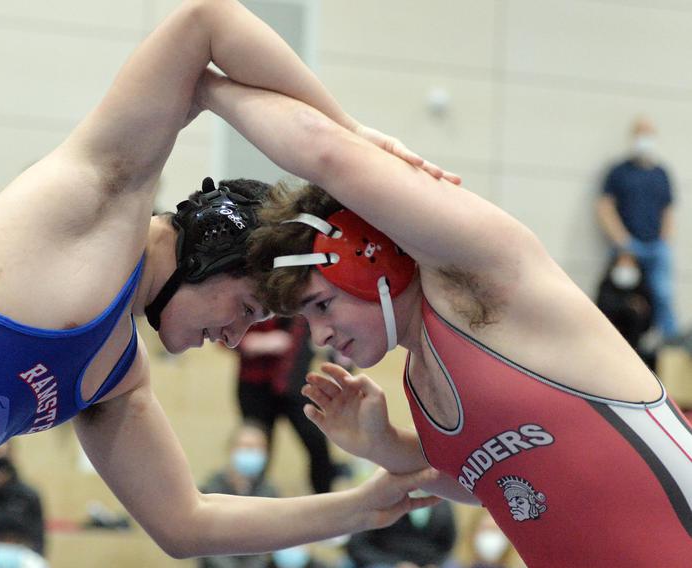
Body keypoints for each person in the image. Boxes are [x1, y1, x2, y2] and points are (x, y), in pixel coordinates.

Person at [0, 2, 447, 566]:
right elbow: (207, 20)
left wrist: (361, 505)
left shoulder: (113, 377)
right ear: (207, 250)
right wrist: (350, 138)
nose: (234, 337)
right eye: (245, 308)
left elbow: (186, 524)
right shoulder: (93, 207)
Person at [197, 65, 692, 565]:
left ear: (374, 261)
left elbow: (325, 154)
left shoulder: (484, 289)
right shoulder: (420, 381)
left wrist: (207, 89)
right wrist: (384, 445)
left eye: (322, 305)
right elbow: (488, 483)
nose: (320, 334)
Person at [596, 116, 679, 345]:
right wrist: (621, 240)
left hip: (656, 246)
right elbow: (604, 207)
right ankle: (610, 341)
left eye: (649, 133)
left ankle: (669, 342)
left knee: (662, 294)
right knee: (619, 297)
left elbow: (668, 209)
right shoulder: (619, 172)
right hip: (628, 245)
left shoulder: (661, 173)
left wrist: (665, 240)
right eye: (641, 133)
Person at [236, 316, 340, 493]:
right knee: (255, 450)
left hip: (295, 385)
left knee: (318, 445)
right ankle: (248, 502)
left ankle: (327, 501)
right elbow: (228, 334)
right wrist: (259, 342)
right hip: (256, 385)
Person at [198, 421, 279, 568]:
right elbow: (205, 542)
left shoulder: (270, 493)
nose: (251, 452)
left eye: (257, 448)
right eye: (246, 447)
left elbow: (270, 542)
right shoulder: (210, 489)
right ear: (231, 449)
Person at [344, 500, 456, 568]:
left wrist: (434, 564)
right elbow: (357, 546)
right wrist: (395, 565)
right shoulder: (382, 500)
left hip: (428, 561)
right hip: (385, 561)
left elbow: (447, 545)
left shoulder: (441, 504)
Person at [594, 252, 655, 368]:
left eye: (630, 264)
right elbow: (602, 309)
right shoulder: (607, 285)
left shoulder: (643, 288)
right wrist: (628, 305)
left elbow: (648, 318)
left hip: (634, 347)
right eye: (622, 263)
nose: (626, 267)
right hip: (607, 343)